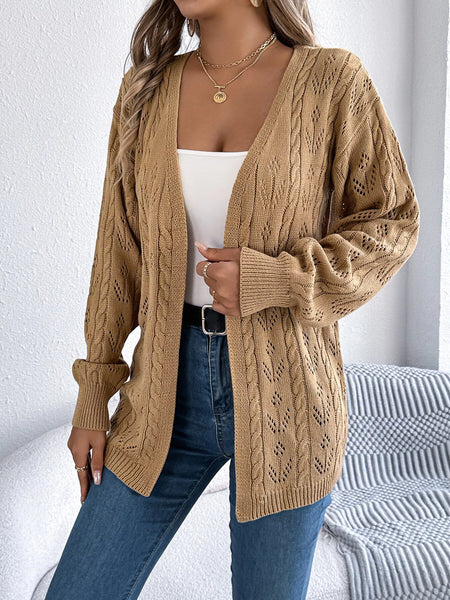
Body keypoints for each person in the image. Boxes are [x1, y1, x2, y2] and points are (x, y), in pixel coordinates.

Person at [45, 0, 420, 598]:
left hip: (289, 399)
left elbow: (393, 221)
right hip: (163, 394)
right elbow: (117, 253)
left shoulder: (332, 79)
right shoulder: (145, 90)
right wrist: (93, 394)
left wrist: (280, 279)